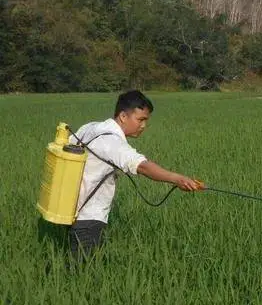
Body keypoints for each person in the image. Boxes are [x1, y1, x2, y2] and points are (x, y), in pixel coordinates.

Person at [67, 90, 201, 262]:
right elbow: (143, 166)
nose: (144, 126)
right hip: (88, 216)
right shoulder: (112, 142)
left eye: (146, 120)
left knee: (74, 264)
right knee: (81, 272)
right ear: (123, 116)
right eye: (140, 119)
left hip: (69, 207)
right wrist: (178, 179)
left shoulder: (91, 127)